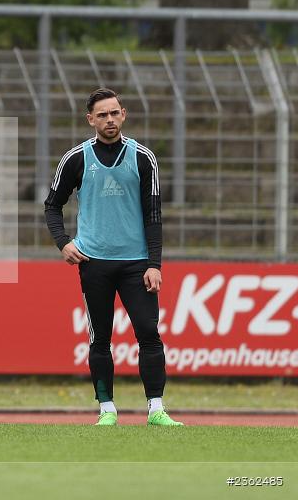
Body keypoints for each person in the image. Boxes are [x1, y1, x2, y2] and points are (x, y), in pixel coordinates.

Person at [44, 87, 183, 427]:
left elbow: (153, 214)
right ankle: (107, 409)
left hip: (137, 264)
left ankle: (156, 409)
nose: (109, 119)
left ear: (124, 115)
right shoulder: (76, 158)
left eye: (114, 113)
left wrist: (154, 264)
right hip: (94, 262)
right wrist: (63, 243)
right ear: (90, 119)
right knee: (100, 339)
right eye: (102, 114)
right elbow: (52, 206)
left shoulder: (143, 157)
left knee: (148, 333)